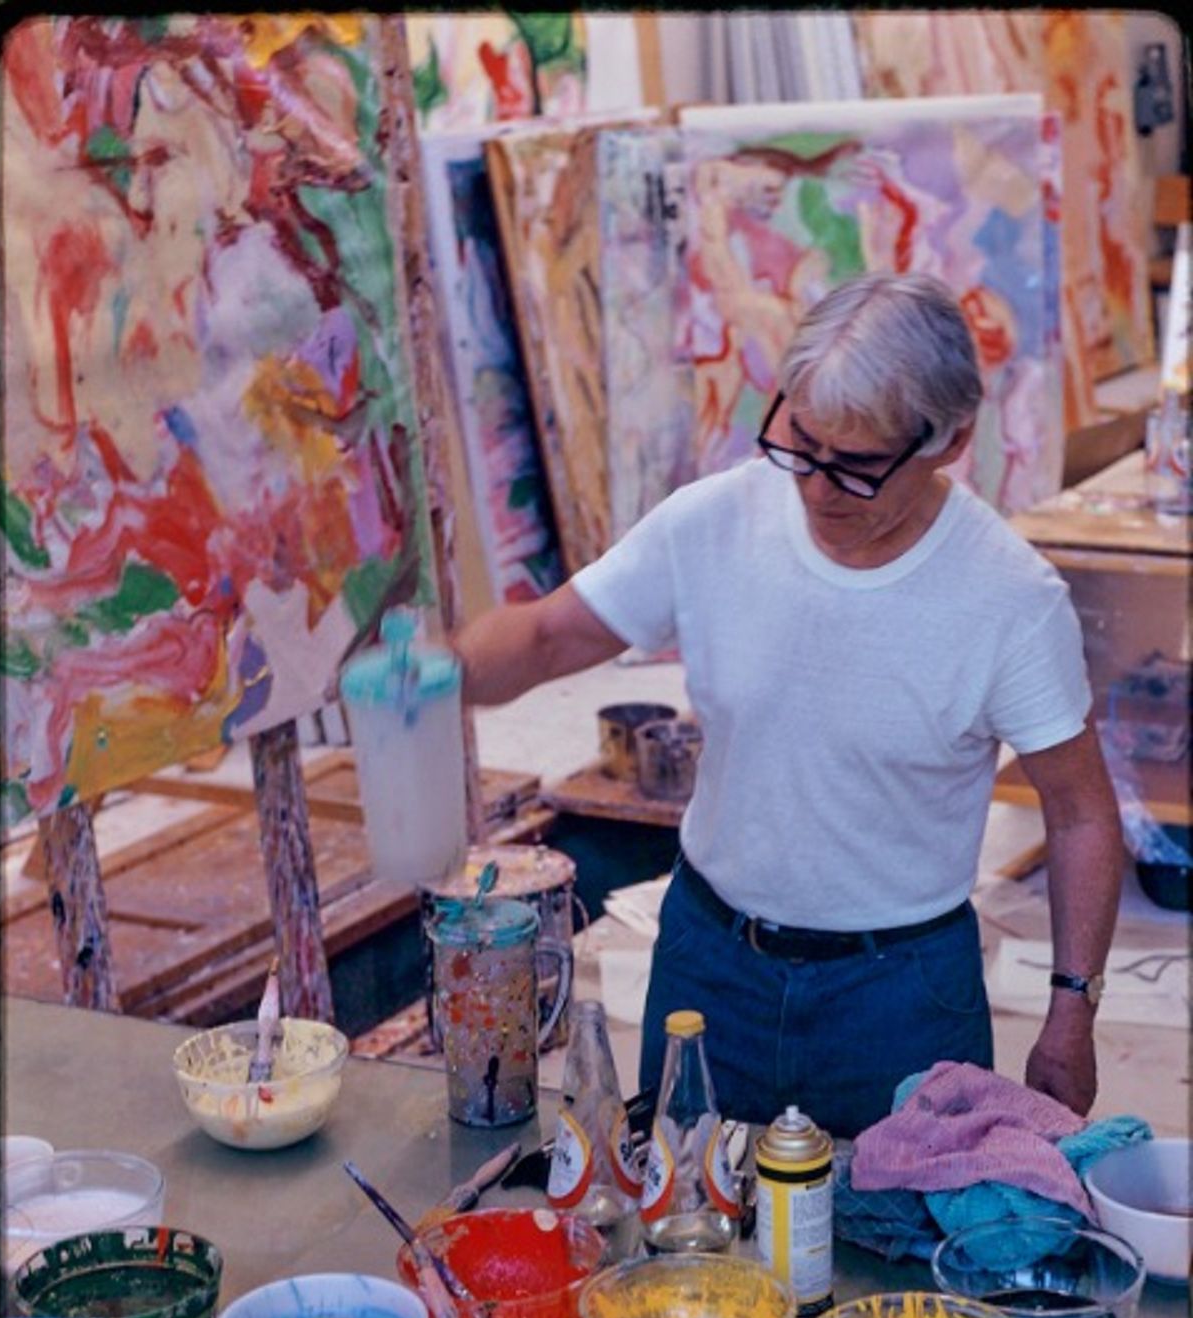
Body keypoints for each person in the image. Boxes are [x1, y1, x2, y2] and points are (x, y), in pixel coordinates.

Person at [451, 271, 1123, 1138]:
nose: (815, 489)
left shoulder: (1010, 600)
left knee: (888, 1253)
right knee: (684, 1228)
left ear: (950, 440)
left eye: (856, 467)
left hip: (900, 992)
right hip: (710, 963)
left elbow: (1078, 816)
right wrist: (442, 672)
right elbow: (549, 636)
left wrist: (1074, 1008)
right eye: (801, 444)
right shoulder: (715, 523)